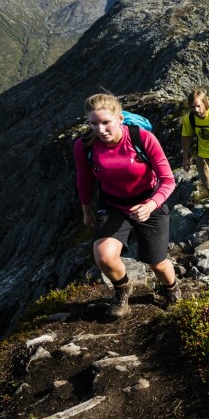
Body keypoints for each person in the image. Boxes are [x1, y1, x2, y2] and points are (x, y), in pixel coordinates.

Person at [74, 93, 180, 318]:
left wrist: (152, 204)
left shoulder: (142, 138)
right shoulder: (84, 146)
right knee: (103, 255)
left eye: (106, 122)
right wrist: (86, 210)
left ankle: (172, 290)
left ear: (120, 119)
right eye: (93, 123)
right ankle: (122, 289)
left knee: (157, 264)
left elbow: (168, 180)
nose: (100, 130)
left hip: (149, 202)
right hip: (113, 205)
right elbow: (84, 179)